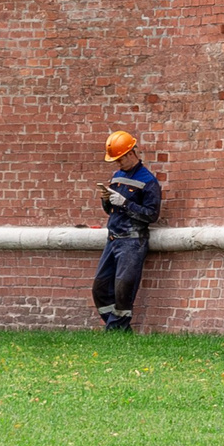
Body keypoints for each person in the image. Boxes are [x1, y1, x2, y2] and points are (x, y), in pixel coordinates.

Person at [91, 130, 162, 334]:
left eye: (119, 159)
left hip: (132, 242)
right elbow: (109, 211)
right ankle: (114, 325)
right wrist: (106, 199)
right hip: (113, 239)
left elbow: (151, 215)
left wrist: (125, 204)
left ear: (131, 153)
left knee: (123, 288)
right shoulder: (117, 176)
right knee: (100, 287)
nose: (117, 164)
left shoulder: (148, 181)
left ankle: (118, 329)